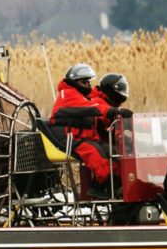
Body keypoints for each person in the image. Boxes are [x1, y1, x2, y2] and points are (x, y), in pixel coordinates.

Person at [49, 63, 132, 197]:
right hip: (69, 138)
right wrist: (112, 111)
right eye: (84, 81)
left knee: (112, 151)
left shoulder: (80, 95)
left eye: (88, 81)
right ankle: (101, 186)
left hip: (81, 137)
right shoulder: (68, 95)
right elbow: (91, 107)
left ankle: (114, 184)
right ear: (74, 81)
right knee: (95, 154)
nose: (88, 85)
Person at [89, 73, 130, 142]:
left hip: (110, 140)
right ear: (110, 90)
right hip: (99, 141)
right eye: (121, 89)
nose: (123, 92)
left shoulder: (112, 103)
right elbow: (107, 118)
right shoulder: (96, 101)